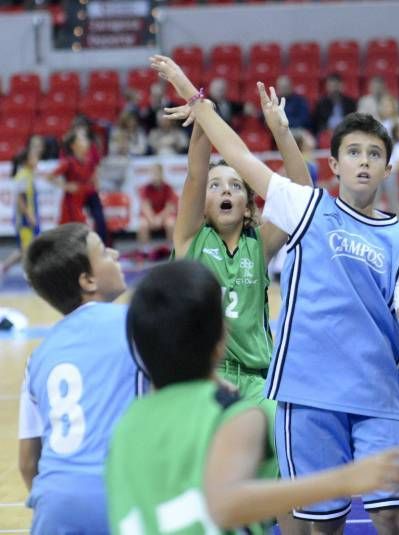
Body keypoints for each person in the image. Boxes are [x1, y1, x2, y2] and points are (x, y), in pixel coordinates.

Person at [151, 54, 399, 535]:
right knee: (319, 518)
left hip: (368, 391)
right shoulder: (309, 211)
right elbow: (238, 156)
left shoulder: (398, 239)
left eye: (374, 154)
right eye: (353, 152)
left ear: (388, 167)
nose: (363, 161)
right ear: (335, 163)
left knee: (389, 513)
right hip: (304, 391)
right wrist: (194, 95)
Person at [107, 259, 399, 534]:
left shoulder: (126, 424)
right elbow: (225, 505)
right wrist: (345, 479)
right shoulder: (234, 415)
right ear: (221, 338)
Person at [167, 82, 313, 533]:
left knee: (274, 486)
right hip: (201, 381)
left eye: (236, 184)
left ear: (250, 203)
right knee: (207, 490)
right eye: (216, 186)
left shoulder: (260, 245)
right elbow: (194, 172)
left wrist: (281, 134)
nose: (225, 190)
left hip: (256, 382)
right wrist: (200, 112)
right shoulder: (191, 238)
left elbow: (301, 194)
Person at [18, 223, 142, 534]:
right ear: (87, 280)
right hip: (118, 494)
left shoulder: (38, 357)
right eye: (103, 251)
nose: (115, 253)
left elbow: (28, 463)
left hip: (53, 504)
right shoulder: (136, 324)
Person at [48, 128, 109, 245]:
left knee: (84, 229)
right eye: (82, 140)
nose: (86, 142)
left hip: (83, 197)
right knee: (69, 232)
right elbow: (50, 176)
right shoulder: (68, 162)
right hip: (71, 201)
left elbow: (92, 177)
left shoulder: (88, 160)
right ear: (74, 145)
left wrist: (95, 181)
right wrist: (65, 186)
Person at [2, 146, 42, 276]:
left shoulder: (29, 174)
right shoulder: (23, 176)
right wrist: (29, 216)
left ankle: (4, 267)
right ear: (26, 161)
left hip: (29, 217)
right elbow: (21, 199)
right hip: (24, 219)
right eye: (33, 158)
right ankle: (29, 274)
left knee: (24, 248)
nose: (37, 160)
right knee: (27, 248)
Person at [137, 163, 178, 257]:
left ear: (161, 174)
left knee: (171, 223)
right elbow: (145, 206)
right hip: (151, 216)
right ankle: (145, 250)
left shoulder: (168, 188)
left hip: (164, 215)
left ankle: (171, 248)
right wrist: (152, 219)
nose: (154, 176)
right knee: (143, 224)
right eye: (152, 173)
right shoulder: (146, 188)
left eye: (157, 173)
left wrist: (159, 218)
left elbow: (170, 207)